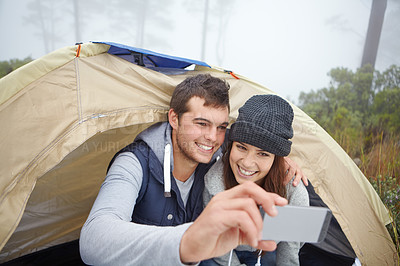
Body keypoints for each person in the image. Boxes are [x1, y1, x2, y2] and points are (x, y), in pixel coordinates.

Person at [79, 74, 305, 265]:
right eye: (201, 124)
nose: (212, 137)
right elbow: (93, 239)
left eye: (221, 127)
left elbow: (250, 145)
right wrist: (187, 241)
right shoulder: (134, 163)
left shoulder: (217, 156)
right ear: (174, 118)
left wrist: (278, 162)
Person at [202, 95, 309, 266]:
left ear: (276, 158)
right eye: (241, 147)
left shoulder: (294, 192)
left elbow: (289, 252)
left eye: (263, 154)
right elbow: (217, 241)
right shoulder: (215, 182)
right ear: (232, 144)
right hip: (223, 251)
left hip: (268, 250)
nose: (246, 163)